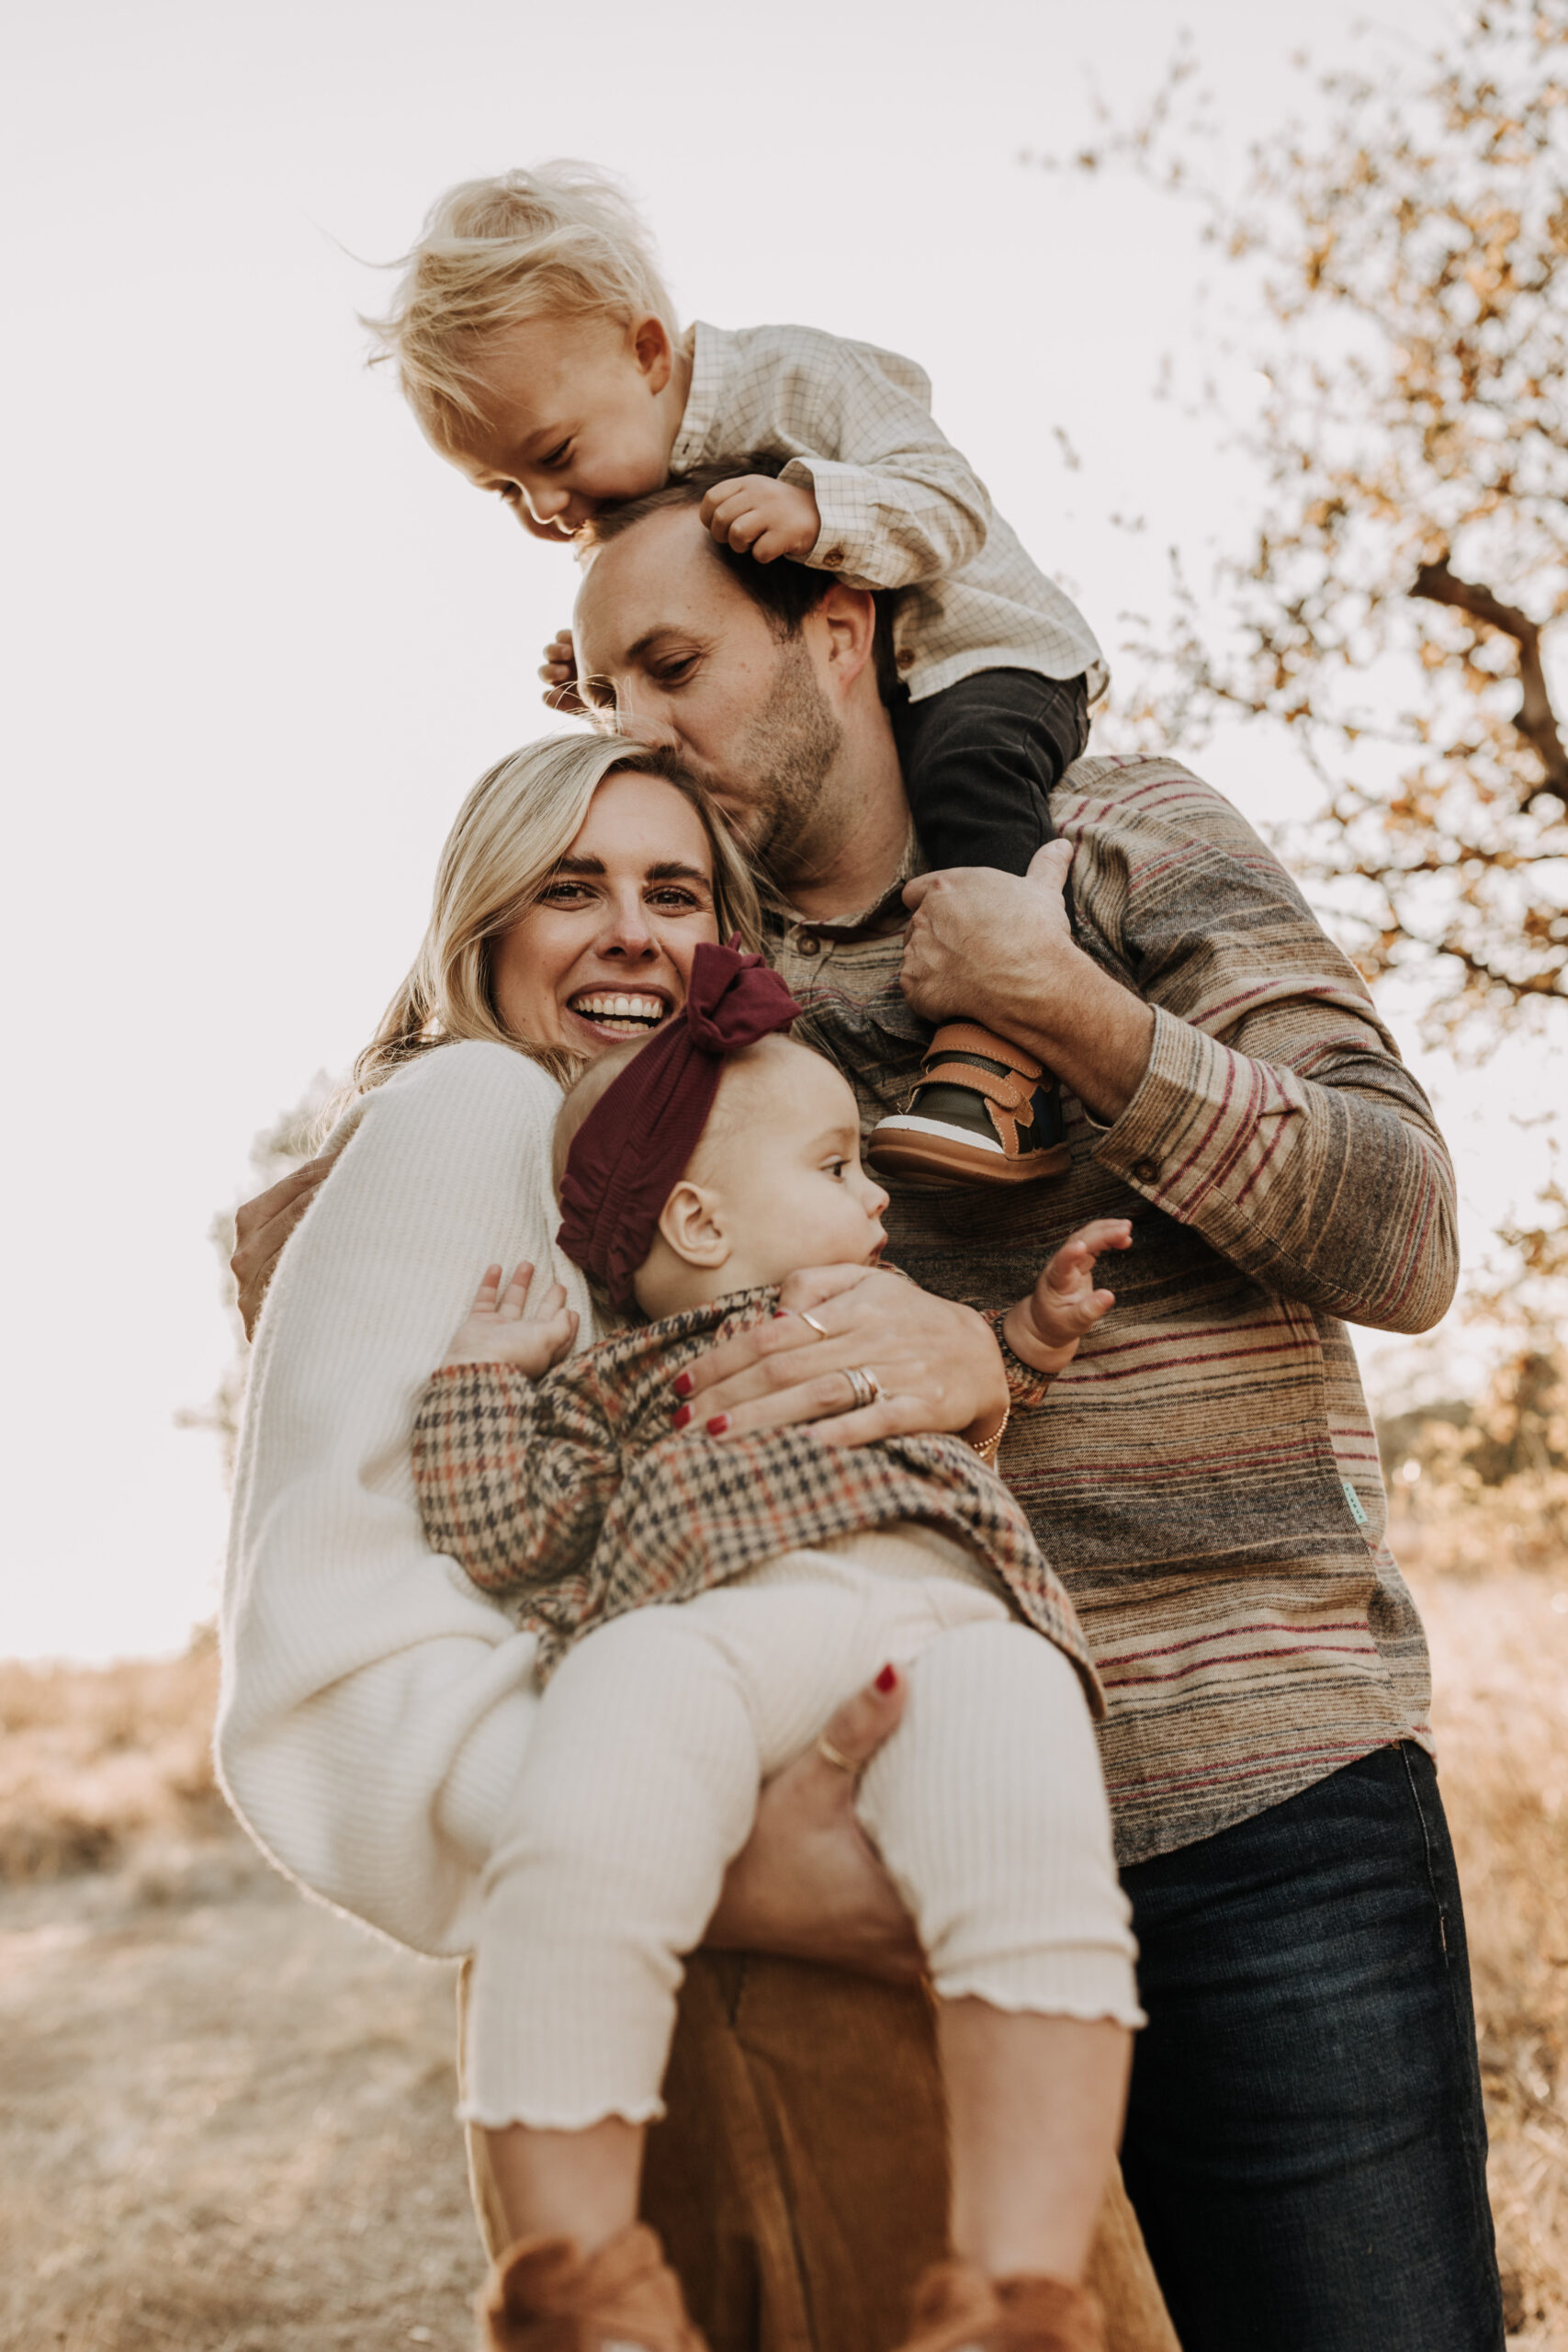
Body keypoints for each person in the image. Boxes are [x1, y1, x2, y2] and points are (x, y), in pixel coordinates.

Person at [539, 480, 1498, 2352]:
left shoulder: (1116, 835)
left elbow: (1403, 1232)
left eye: (674, 666)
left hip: (1259, 1798)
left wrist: (1077, 1016)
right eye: (599, 695)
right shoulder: (674, 981)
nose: (638, 733)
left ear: (837, 633)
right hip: (884, 1871)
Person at [218, 735, 1176, 2352]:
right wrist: (736, 1856)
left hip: (874, 1930)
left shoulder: (703, 1169)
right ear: (480, 928)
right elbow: (324, 1646)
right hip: (715, 1987)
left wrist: (968, 1366)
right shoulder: (473, 1106)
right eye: (567, 889)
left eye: (673, 891)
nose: (630, 934)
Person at [413, 939, 1141, 2352]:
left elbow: (958, 1382)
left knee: (1039, 1885)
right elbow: (504, 1527)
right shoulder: (612, 1378)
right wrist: (473, 1381)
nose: (876, 1197)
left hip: (954, 1622)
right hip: (708, 1623)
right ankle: (579, 2284)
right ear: (693, 1218)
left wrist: (1028, 1342)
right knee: (576, 1846)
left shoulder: (888, 1315)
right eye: (833, 1168)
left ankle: (1018, 2293)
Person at [362, 160, 1107, 1187]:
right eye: (505, 491)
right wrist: (589, 666)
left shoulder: (798, 381)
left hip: (983, 655)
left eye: (554, 454)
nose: (544, 509)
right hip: (884, 696)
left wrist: (818, 513)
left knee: (969, 783)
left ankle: (1002, 1066)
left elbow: (949, 497)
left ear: (648, 350)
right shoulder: (629, 491)